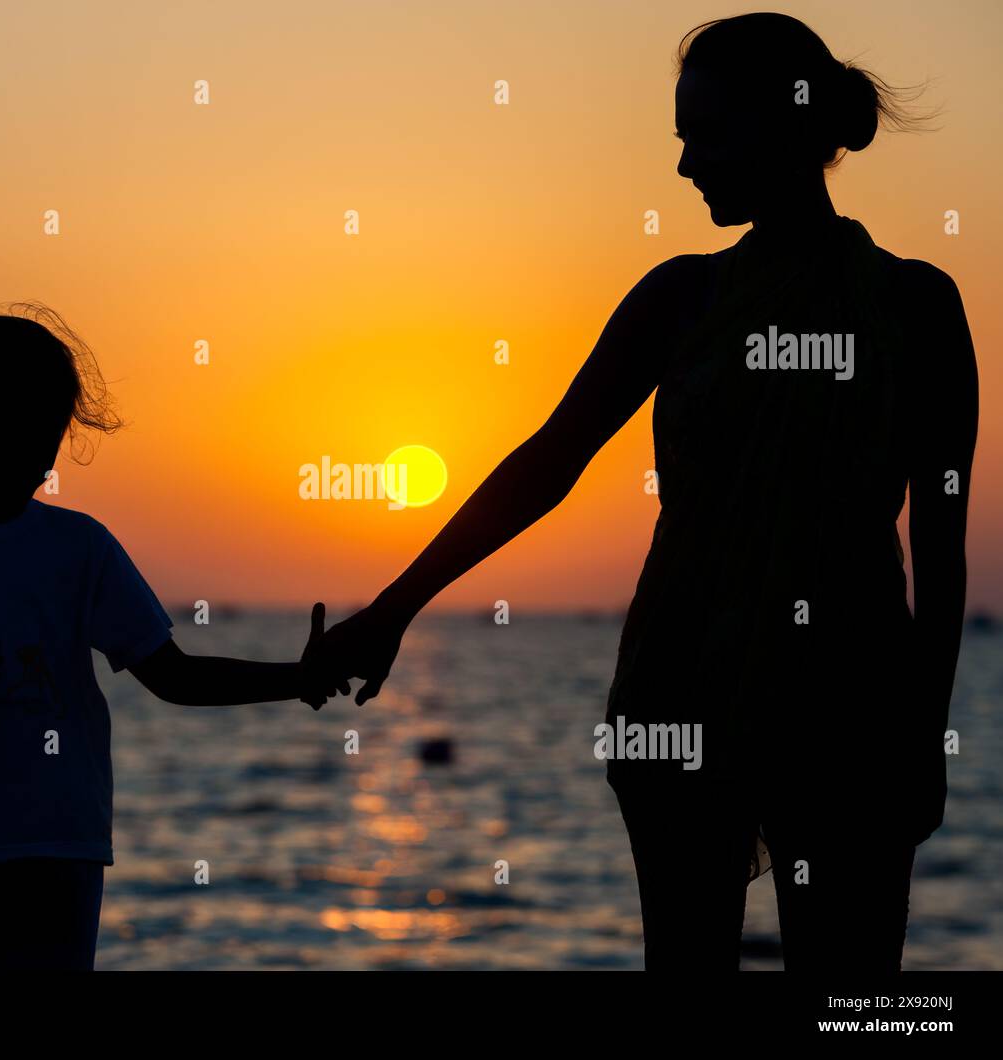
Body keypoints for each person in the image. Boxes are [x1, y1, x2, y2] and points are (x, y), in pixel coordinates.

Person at [316, 13, 978, 971]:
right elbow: (548, 463)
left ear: (784, 125)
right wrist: (395, 609)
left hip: (852, 700)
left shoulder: (916, 305)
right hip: (683, 686)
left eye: (703, 135)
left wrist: (925, 733)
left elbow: (946, 538)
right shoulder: (679, 297)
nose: (683, 166)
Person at [0, 304, 340, 970]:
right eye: (33, 425)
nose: (49, 451)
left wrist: (297, 676)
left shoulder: (78, 549)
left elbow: (173, 675)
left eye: (55, 429)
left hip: (59, 843)